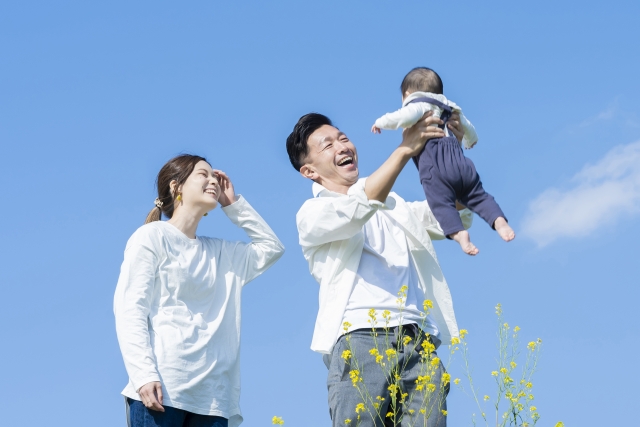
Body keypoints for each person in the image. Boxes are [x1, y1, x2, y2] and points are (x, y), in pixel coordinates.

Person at [286, 112, 472, 427]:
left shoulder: (393, 205)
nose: (341, 146)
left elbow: (452, 210)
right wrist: (402, 151)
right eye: (327, 145)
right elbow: (358, 208)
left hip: (418, 339)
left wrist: (452, 151)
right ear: (309, 171)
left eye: (343, 138)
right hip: (361, 338)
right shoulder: (313, 213)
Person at [114, 154, 284, 427]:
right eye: (202, 174)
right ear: (176, 186)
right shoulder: (152, 236)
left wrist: (234, 206)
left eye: (214, 176)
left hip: (213, 401)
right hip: (162, 390)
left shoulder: (220, 253)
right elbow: (130, 309)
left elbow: (271, 248)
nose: (213, 180)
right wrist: (143, 374)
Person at [372, 67, 515, 255]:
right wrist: (470, 140)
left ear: (407, 94)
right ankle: (499, 221)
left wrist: (381, 122)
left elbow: (402, 117)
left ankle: (459, 234)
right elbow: (467, 127)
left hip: (436, 167)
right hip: (461, 163)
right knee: (479, 195)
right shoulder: (450, 106)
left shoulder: (418, 104)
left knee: (440, 203)